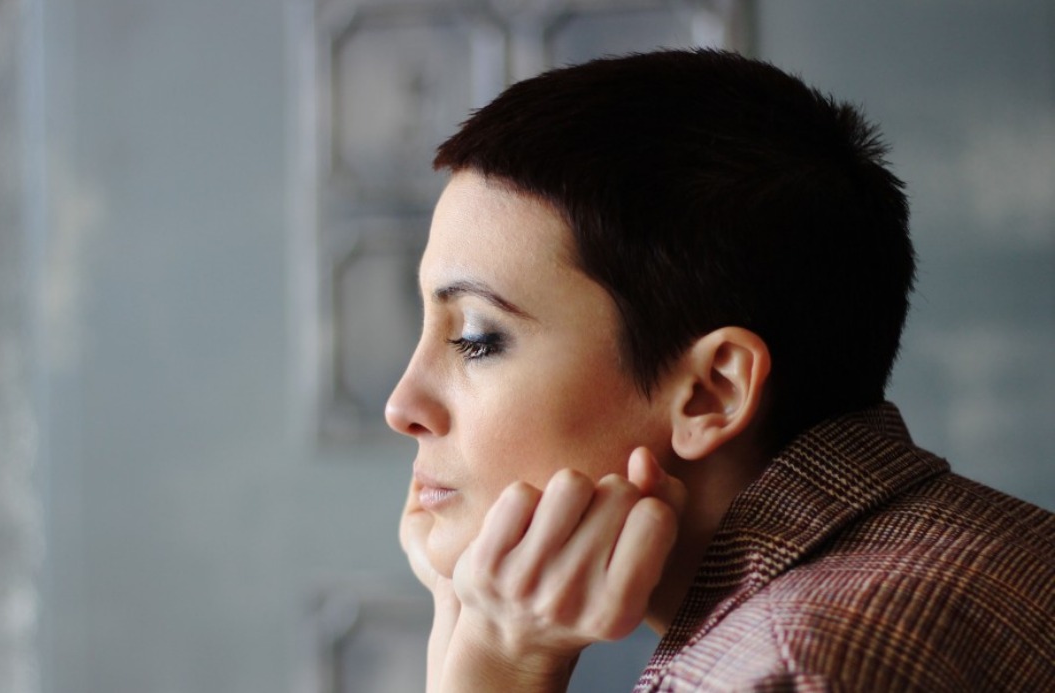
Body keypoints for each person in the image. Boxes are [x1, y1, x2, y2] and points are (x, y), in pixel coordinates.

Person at [384, 49, 1055, 692]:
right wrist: (467, 613)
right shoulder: (997, 548)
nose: (402, 403)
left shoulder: (777, 670)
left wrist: (500, 670)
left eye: (476, 338)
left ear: (713, 391)